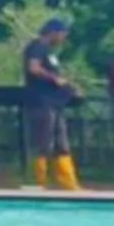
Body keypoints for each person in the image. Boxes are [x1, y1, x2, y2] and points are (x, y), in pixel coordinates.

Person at [23, 16, 83, 190]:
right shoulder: (37, 47)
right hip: (41, 102)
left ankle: (68, 184)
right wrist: (55, 79)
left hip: (55, 104)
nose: (64, 38)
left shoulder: (50, 52)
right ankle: (36, 181)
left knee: (60, 144)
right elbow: (33, 68)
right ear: (53, 32)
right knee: (43, 142)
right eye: (63, 34)